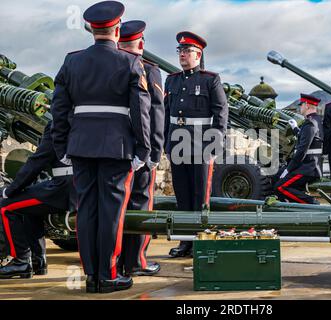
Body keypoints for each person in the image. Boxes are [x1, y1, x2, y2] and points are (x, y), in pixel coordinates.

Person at [51, 1, 152, 293]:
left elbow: (59, 111)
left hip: (81, 146)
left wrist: (63, 147)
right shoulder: (131, 63)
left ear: (93, 29)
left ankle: (91, 276)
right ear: (118, 29)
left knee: (86, 209)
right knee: (111, 212)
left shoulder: (72, 61)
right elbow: (140, 113)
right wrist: (143, 151)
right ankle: (107, 276)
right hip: (116, 148)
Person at [164, 31, 228, 257]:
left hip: (201, 146)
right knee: (182, 196)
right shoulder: (172, 80)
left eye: (187, 51)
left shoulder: (211, 79)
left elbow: (220, 115)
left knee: (200, 197)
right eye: (180, 50)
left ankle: (201, 239)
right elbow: (166, 114)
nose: (182, 54)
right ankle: (185, 241)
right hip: (177, 145)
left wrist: (214, 146)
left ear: (198, 54)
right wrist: (165, 143)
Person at [117, 20, 164, 276]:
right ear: (141, 43)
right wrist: (154, 151)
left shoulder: (109, 65)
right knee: (140, 203)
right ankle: (136, 262)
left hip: (114, 149)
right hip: (140, 149)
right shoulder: (148, 69)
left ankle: (115, 261)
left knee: (115, 205)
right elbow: (156, 111)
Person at [0, 121, 75, 279]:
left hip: (63, 187)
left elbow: (38, 161)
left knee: (5, 206)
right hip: (81, 185)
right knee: (29, 206)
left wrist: (11, 189)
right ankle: (37, 261)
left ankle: (20, 261)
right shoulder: (85, 121)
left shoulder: (58, 124)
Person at [274, 94, 323, 204]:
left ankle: (312, 203)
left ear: (306, 105)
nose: (300, 108)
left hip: (308, 168)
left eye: (301, 105)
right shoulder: (316, 120)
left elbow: (302, 150)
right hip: (309, 165)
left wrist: (289, 169)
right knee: (277, 175)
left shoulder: (310, 123)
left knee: (280, 187)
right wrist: (296, 129)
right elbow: (308, 138)